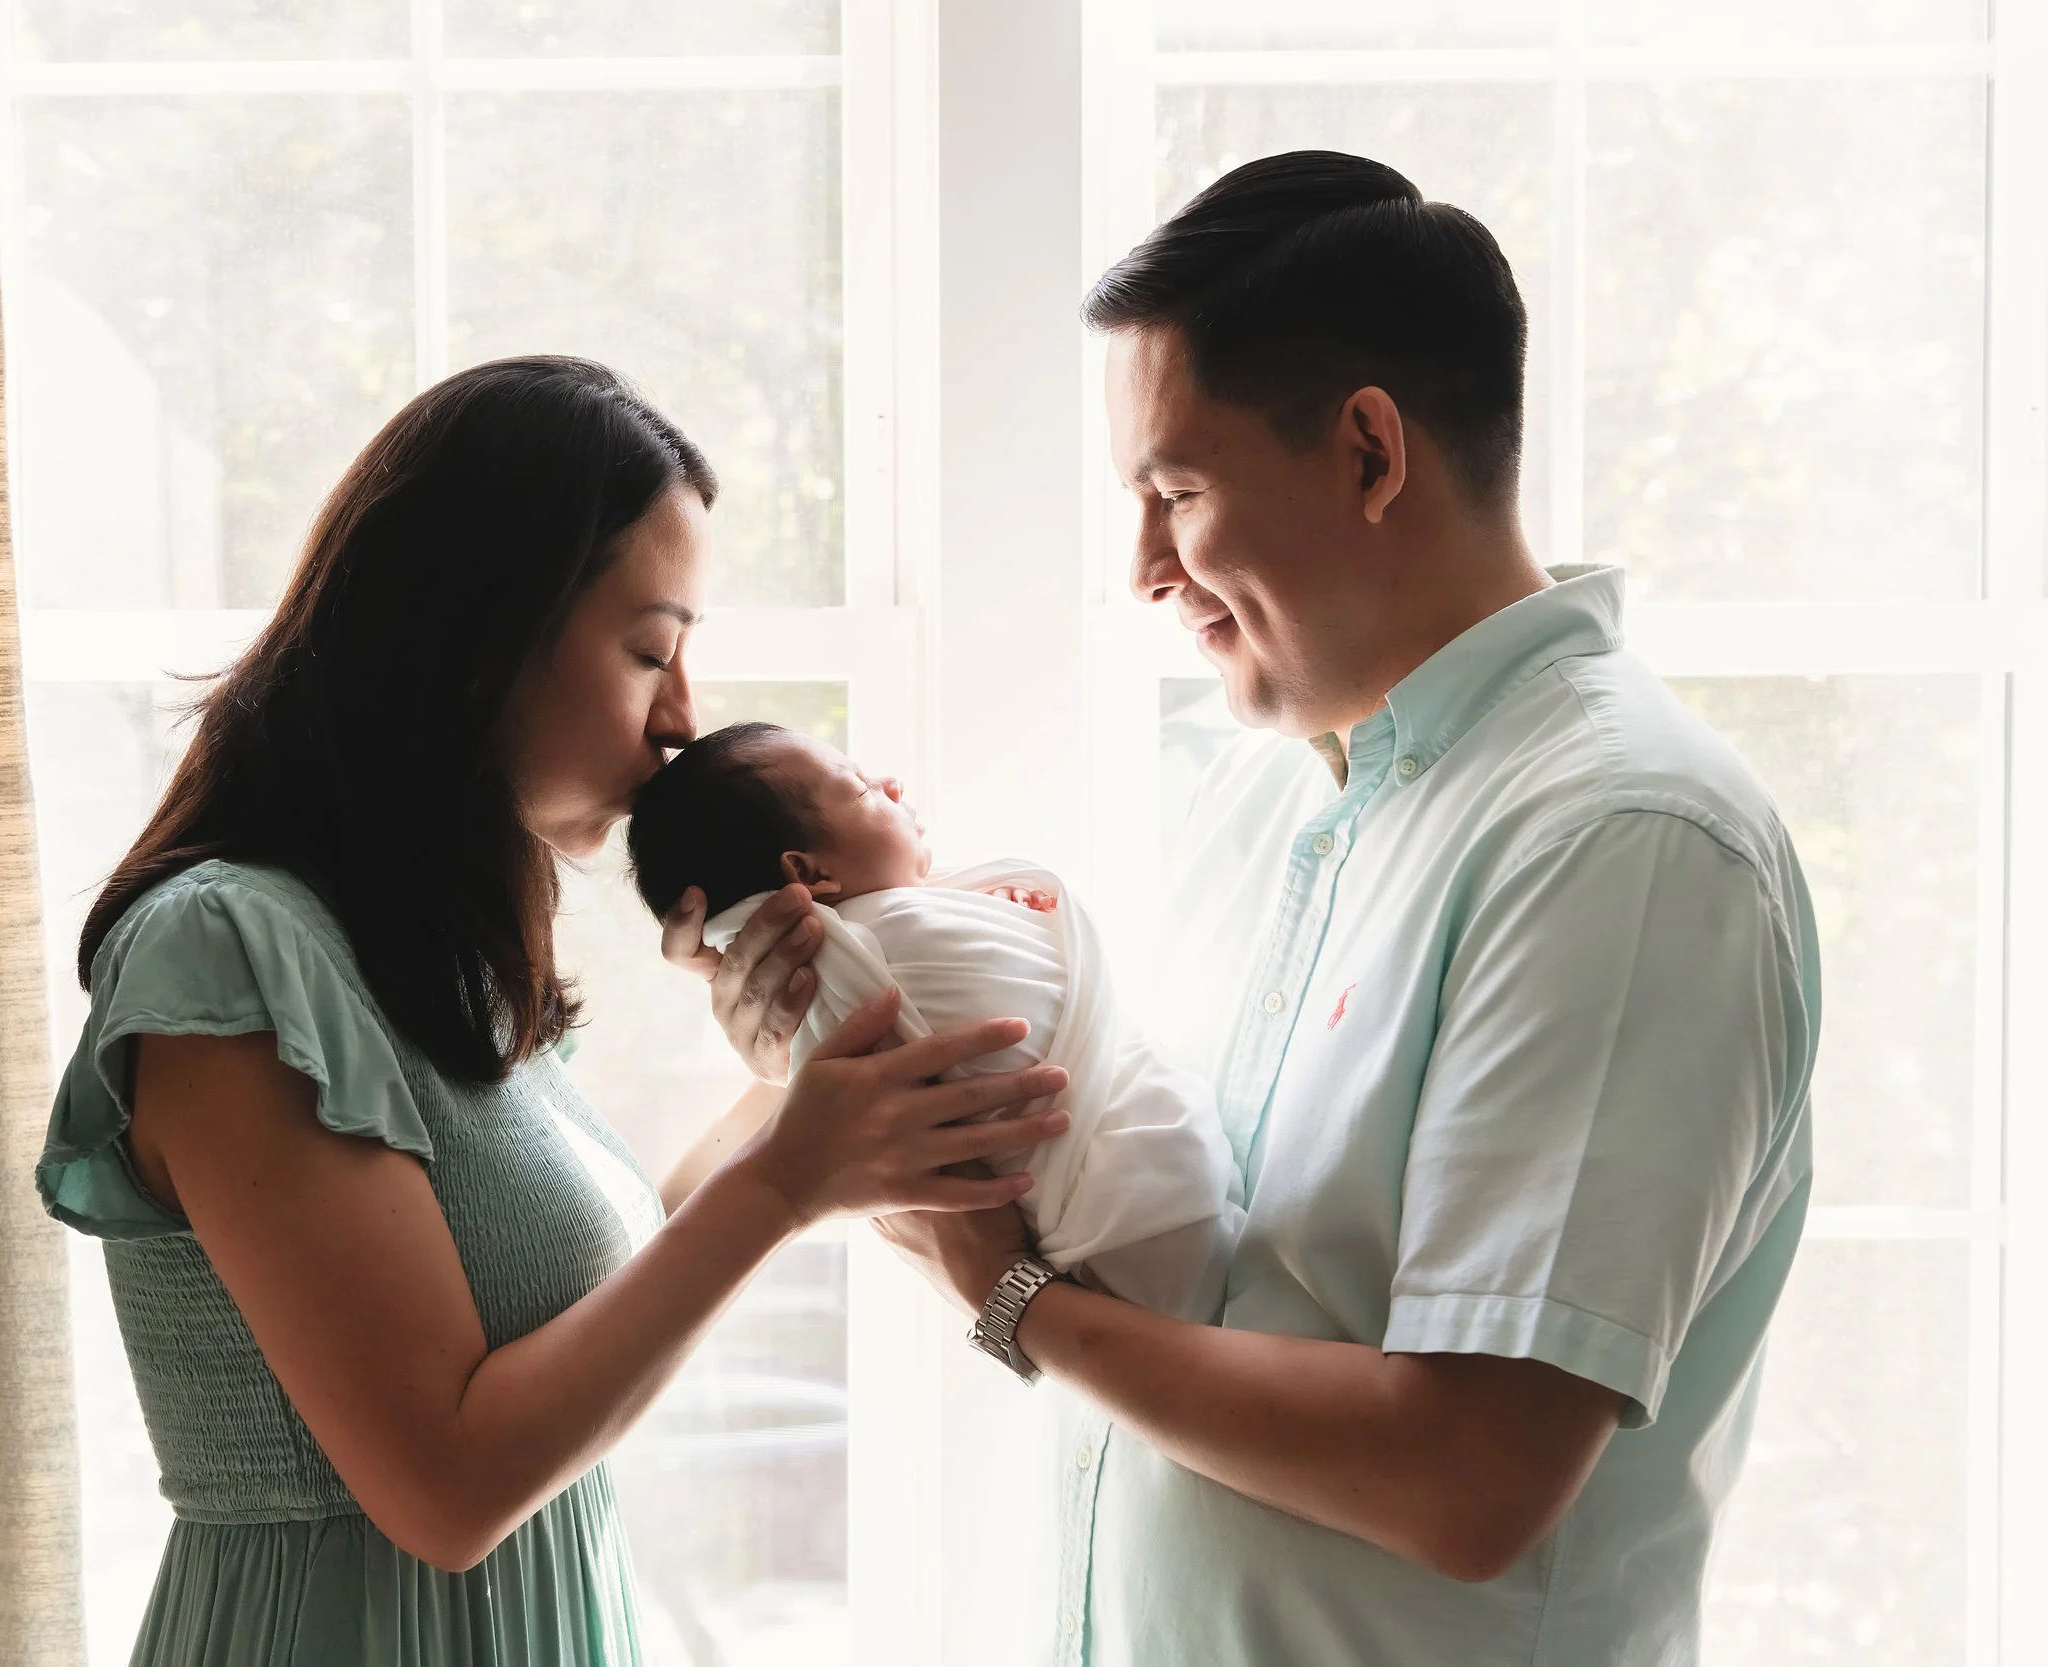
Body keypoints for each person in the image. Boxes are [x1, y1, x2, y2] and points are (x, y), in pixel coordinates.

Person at [672, 153, 1820, 1664]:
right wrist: (810, 1021)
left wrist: (1014, 1296)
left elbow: (1467, 1476)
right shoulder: (1275, 800)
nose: (1146, 569)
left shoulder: (1623, 840)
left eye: (1177, 492)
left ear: (1367, 453)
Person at [34, 356, 1074, 1666]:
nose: (682, 722)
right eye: (653, 649)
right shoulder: (232, 952)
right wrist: (791, 1177)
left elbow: (612, 1291)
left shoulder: (434, 967)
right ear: (479, 635)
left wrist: (788, 1045)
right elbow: (447, 1487)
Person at [625, 720, 1244, 1323]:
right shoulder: (883, 944)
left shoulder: (875, 944)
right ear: (808, 873)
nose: (892, 783)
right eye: (862, 787)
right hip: (1152, 1198)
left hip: (1134, 1237)